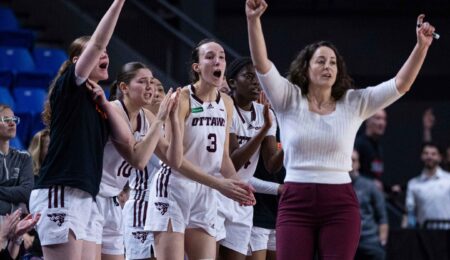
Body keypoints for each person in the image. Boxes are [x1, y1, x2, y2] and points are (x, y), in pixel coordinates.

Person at [245, 0, 436, 258]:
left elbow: (400, 84)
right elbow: (261, 64)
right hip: (296, 200)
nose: (328, 67)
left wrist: (421, 46)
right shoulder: (287, 98)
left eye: (333, 62)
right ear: (306, 67)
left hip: (340, 203)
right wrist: (253, 20)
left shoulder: (353, 102)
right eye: (321, 61)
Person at [28, 1, 148, 259]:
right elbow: (95, 44)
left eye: (107, 52)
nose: (104, 54)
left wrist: (105, 103)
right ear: (77, 62)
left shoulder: (100, 103)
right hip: (61, 189)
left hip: (87, 196)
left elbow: (127, 142)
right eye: (99, 52)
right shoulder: (69, 87)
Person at [145, 39, 255, 260]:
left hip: (205, 191)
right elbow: (174, 160)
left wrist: (238, 185)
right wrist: (220, 184)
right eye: (210, 57)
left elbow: (223, 158)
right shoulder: (182, 99)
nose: (218, 61)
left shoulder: (226, 102)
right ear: (197, 67)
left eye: (222, 57)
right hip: (173, 187)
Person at [84, 62, 181, 260]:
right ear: (124, 88)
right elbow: (139, 161)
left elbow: (174, 160)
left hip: (112, 200)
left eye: (152, 82)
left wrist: (173, 118)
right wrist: (161, 117)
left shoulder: (147, 116)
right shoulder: (112, 110)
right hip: (91, 197)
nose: (150, 87)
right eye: (143, 82)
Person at [216, 57, 282, 260]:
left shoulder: (265, 113)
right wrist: (262, 131)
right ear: (233, 82)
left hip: (242, 199)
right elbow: (234, 162)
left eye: (258, 78)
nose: (256, 82)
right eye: (249, 76)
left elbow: (272, 165)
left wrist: (291, 135)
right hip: (217, 192)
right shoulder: (224, 109)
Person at [350, 150, 388, 260]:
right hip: (345, 240)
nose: (350, 163)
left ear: (358, 164)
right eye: (347, 160)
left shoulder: (370, 186)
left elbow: (382, 217)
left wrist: (382, 240)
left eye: (353, 160)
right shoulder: (335, 186)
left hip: (369, 240)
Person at [404, 142, 450, 229]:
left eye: (433, 154)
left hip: (447, 233)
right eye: (426, 154)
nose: (429, 157)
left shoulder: (449, 180)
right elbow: (409, 211)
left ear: (439, 158)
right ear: (422, 157)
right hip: (425, 235)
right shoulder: (413, 184)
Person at [0, 105, 34, 219]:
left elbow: (27, 192)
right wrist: (17, 204)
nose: (12, 123)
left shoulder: (24, 157)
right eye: (6, 120)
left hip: (18, 225)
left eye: (14, 120)